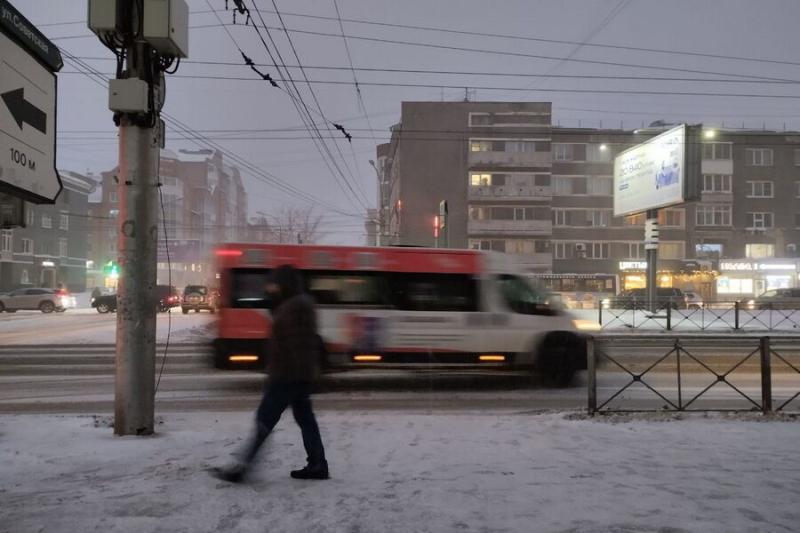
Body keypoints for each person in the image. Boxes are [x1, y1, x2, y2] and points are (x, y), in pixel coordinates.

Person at [212, 265, 328, 482]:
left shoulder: (295, 308)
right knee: (305, 420)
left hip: (287, 376)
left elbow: (295, 346)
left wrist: (280, 376)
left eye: (274, 283)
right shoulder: (296, 305)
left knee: (264, 420)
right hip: (296, 375)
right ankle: (317, 464)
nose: (270, 287)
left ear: (285, 284)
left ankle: (242, 467)